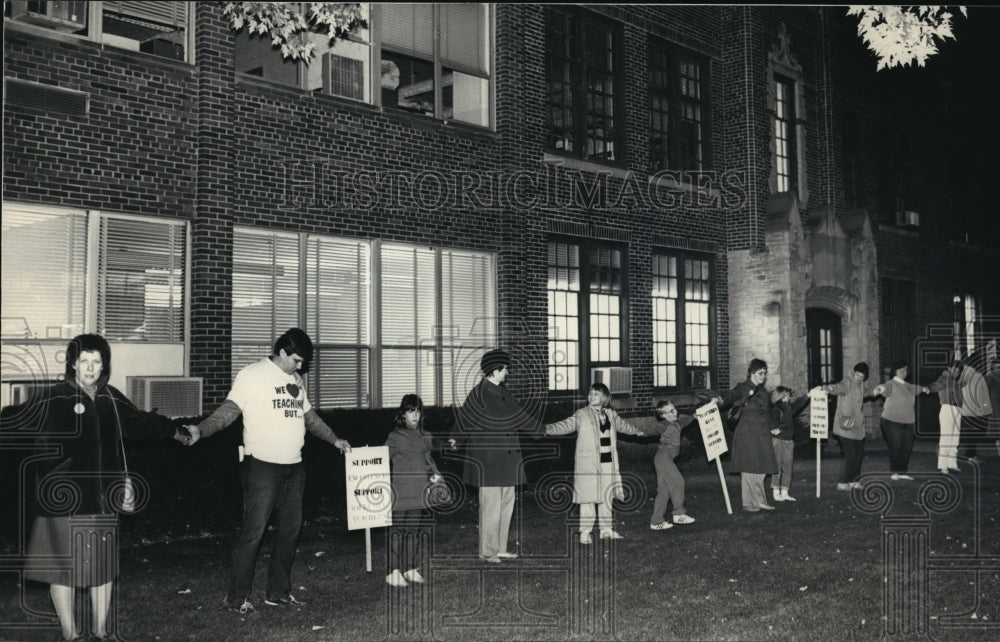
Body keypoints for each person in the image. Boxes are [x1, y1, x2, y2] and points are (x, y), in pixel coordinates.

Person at [24, 334, 192, 641]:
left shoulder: (110, 398)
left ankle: (101, 632)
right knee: (64, 571)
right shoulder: (54, 398)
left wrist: (175, 431)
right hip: (65, 502)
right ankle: (71, 634)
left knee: (102, 569)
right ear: (73, 363)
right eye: (84, 361)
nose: (90, 368)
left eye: (96, 361)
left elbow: (140, 423)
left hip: (104, 500)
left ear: (104, 365)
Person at [189, 328, 351, 613]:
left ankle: (278, 592)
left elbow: (309, 417)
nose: (300, 367)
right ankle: (236, 598)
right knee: (254, 533)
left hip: (294, 466)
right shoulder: (251, 375)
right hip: (262, 466)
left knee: (290, 531)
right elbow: (227, 412)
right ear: (283, 352)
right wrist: (201, 430)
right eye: (297, 360)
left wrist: (334, 438)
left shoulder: (295, 380)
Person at [452, 349, 542, 562]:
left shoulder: (504, 392)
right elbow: (464, 421)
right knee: (491, 507)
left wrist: (542, 429)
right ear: (495, 370)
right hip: (489, 461)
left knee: (506, 505)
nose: (507, 372)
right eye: (505, 369)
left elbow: (521, 416)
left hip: (508, 460)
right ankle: (487, 551)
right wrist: (454, 439)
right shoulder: (479, 393)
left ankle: (500, 548)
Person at [545, 383, 646, 542]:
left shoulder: (610, 414)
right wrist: (546, 429)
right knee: (588, 497)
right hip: (589, 463)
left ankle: (606, 529)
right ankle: (585, 532)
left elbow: (623, 426)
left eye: (596, 394)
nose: (592, 396)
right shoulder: (582, 414)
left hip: (608, 463)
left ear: (604, 398)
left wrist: (637, 431)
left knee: (607, 495)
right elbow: (565, 425)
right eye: (590, 393)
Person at [385, 394, 445, 588]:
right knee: (397, 531)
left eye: (418, 411)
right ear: (402, 413)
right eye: (411, 411)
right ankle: (393, 571)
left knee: (413, 531)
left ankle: (409, 567)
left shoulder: (424, 435)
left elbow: (431, 457)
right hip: (400, 492)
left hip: (419, 492)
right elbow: (379, 457)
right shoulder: (395, 436)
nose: (415, 415)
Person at [718, 359, 777, 512]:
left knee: (762, 468)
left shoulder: (763, 391)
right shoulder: (742, 387)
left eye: (765, 373)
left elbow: (767, 413)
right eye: (760, 373)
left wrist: (773, 427)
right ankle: (748, 502)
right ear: (752, 373)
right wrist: (720, 399)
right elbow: (731, 395)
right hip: (747, 433)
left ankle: (760, 499)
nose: (763, 376)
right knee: (749, 468)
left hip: (762, 434)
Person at [631, 400, 697, 530]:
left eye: (674, 409)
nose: (674, 412)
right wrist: (640, 431)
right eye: (670, 411)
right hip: (663, 458)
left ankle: (656, 522)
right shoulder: (664, 425)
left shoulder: (677, 422)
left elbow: (687, 420)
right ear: (663, 415)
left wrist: (695, 416)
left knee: (664, 491)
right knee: (678, 482)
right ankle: (679, 514)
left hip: (665, 459)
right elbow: (651, 430)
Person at [819, 362, 875, 491]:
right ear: (853, 372)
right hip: (845, 426)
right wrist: (827, 388)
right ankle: (842, 482)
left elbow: (865, 393)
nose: (859, 378)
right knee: (850, 455)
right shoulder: (848, 382)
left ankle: (854, 481)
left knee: (858, 455)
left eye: (862, 376)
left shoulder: (860, 385)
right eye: (857, 375)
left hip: (857, 427)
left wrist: (874, 391)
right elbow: (839, 387)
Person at [873, 361, 930, 480]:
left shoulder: (908, 386)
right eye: (900, 370)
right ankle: (895, 472)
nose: (903, 372)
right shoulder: (891, 383)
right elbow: (884, 388)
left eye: (905, 370)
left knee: (907, 447)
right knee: (896, 446)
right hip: (892, 420)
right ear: (895, 371)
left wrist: (925, 389)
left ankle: (902, 472)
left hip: (908, 421)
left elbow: (917, 388)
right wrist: (879, 389)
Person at [768, 386, 810, 502]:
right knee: (777, 466)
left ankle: (785, 492)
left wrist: (808, 395)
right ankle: (776, 492)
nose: (790, 397)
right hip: (778, 441)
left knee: (788, 466)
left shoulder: (788, 407)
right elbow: (771, 421)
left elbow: (798, 404)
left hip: (788, 441)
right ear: (781, 396)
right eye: (787, 395)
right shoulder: (776, 408)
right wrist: (775, 428)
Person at [927, 360, 964, 474]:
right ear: (949, 368)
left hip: (957, 409)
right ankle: (943, 465)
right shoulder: (944, 379)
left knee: (955, 439)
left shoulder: (955, 381)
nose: (956, 372)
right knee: (946, 438)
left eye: (958, 371)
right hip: (947, 408)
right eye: (955, 370)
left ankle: (952, 463)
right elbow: (935, 386)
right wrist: (927, 388)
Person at [957, 352, 994, 462]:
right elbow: (984, 395)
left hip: (965, 410)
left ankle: (970, 455)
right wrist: (987, 409)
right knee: (975, 434)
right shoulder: (978, 377)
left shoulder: (963, 376)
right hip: (976, 411)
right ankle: (971, 456)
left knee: (970, 434)